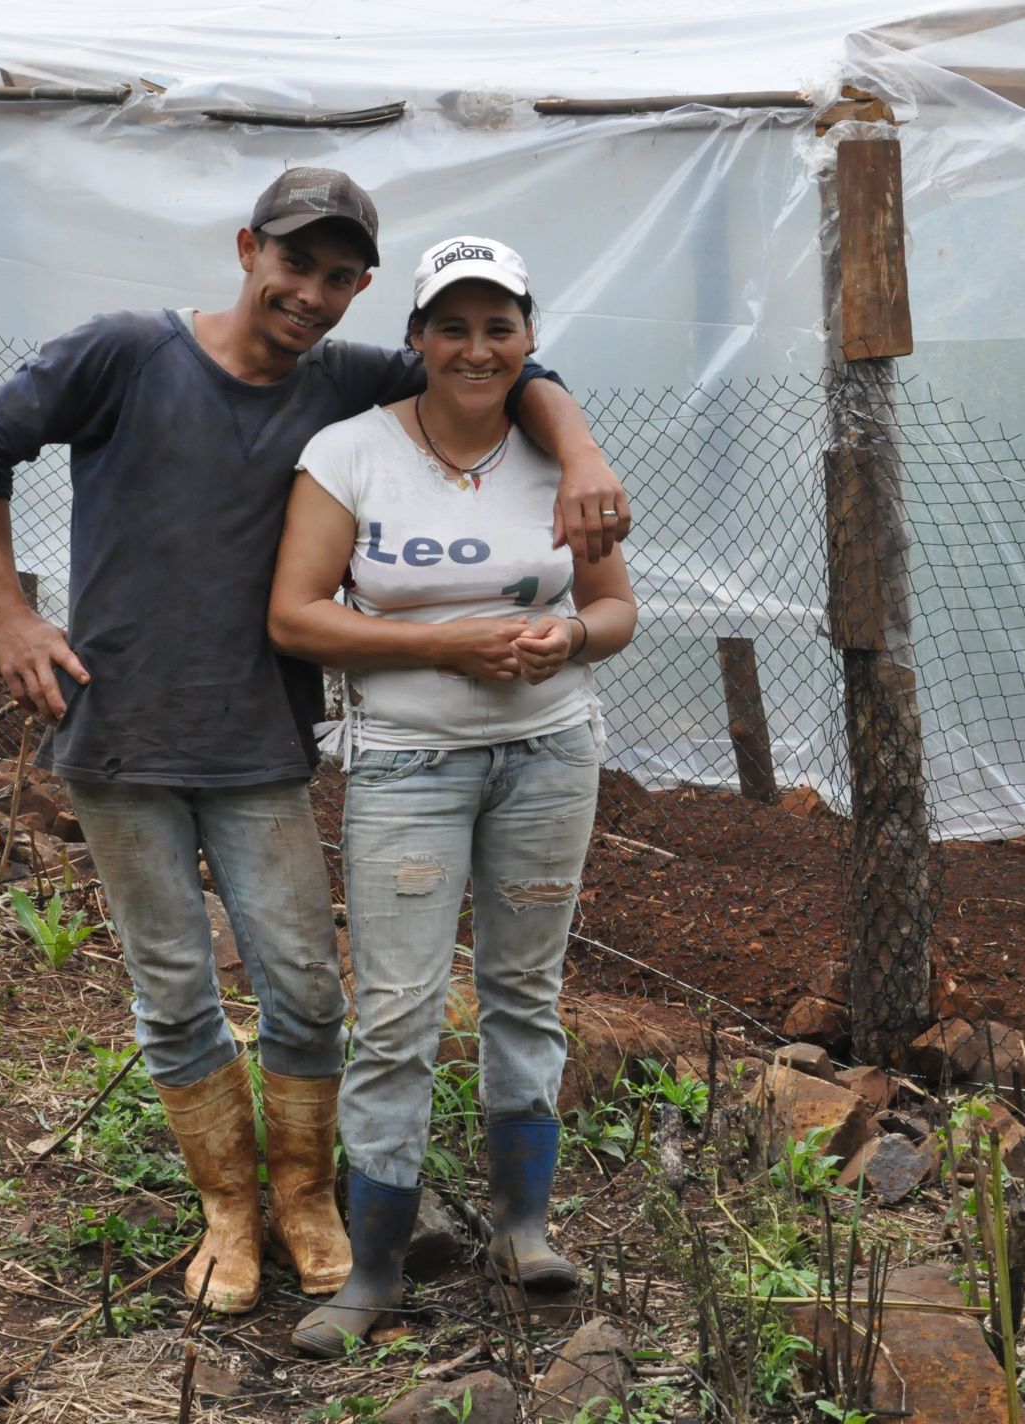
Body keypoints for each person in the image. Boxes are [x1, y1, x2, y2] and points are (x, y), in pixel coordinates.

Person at [0, 172, 630, 1316]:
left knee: (307, 990)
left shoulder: (349, 384)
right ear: (248, 247)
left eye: (336, 277)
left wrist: (587, 449)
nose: (308, 294)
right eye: (292, 265)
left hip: (259, 738)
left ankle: (306, 1197)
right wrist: (10, 611)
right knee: (171, 986)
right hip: (115, 724)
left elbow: (506, 365)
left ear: (362, 293)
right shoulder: (125, 352)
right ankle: (228, 1208)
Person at [267, 235, 636, 1354]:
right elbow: (294, 614)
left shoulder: (565, 465)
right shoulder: (351, 452)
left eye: (498, 327)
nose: (475, 349)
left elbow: (616, 609)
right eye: (452, 327)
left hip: (547, 757)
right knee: (397, 1015)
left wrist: (566, 630)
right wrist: (446, 645)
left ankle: (525, 1227)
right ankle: (371, 1270)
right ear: (417, 339)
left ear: (527, 342)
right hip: (406, 767)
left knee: (525, 990)